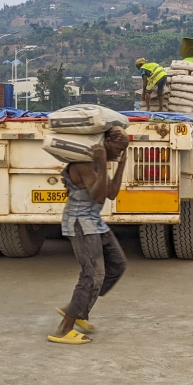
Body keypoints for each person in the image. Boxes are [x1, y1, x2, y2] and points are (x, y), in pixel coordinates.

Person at [49, 126, 130, 345]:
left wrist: (121, 164)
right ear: (106, 143)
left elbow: (111, 193)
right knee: (92, 274)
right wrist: (103, 164)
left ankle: (77, 308)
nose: (120, 153)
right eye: (118, 149)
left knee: (117, 264)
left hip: (94, 221)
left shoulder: (97, 162)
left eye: (124, 150)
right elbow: (98, 196)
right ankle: (64, 329)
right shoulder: (84, 164)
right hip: (80, 223)